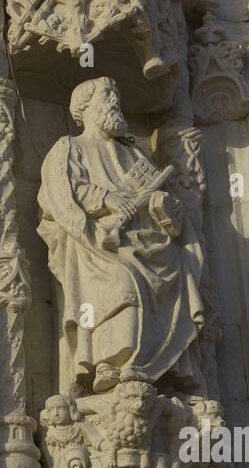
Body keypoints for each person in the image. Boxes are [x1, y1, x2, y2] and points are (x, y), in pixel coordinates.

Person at [38, 77, 205, 395]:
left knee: (179, 263)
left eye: (117, 95)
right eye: (107, 96)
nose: (115, 101)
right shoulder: (69, 147)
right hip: (98, 242)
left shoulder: (134, 153)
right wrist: (107, 200)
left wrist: (160, 205)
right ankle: (109, 364)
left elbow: (159, 193)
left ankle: (160, 367)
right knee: (123, 278)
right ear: (85, 107)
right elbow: (62, 194)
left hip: (145, 239)